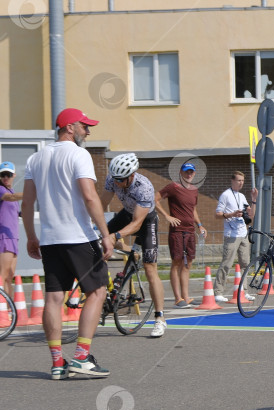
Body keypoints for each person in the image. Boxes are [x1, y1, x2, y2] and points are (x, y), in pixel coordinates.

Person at [22, 107, 113, 380]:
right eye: (85, 126)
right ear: (69, 127)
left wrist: (31, 236)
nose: (88, 131)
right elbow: (89, 196)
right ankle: (82, 357)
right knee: (97, 291)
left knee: (53, 298)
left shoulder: (35, 158)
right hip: (78, 236)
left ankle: (57, 363)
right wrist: (105, 233)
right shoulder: (78, 154)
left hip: (50, 239)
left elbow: (27, 203)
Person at [100, 153, 167, 337]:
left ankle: (160, 318)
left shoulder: (144, 187)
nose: (117, 182)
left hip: (146, 221)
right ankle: (129, 253)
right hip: (127, 213)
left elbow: (137, 224)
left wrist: (115, 236)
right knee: (100, 240)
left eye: (121, 180)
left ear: (131, 175)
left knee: (150, 267)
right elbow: (101, 204)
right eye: (115, 179)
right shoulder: (113, 179)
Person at [155, 161, 207, 307]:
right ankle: (178, 298)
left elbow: (193, 209)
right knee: (177, 262)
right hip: (177, 231)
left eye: (191, 172)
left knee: (188, 262)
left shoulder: (194, 190)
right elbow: (155, 199)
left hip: (190, 230)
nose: (189, 174)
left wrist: (200, 225)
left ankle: (186, 297)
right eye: (186, 171)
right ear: (181, 172)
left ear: (194, 173)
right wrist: (167, 216)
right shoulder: (173, 187)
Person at [213, 171, 258, 303]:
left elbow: (251, 215)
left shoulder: (242, 196)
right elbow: (217, 215)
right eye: (238, 180)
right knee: (227, 263)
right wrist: (232, 214)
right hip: (231, 235)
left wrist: (254, 200)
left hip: (243, 233)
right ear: (232, 181)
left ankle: (244, 291)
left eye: (242, 181)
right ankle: (218, 292)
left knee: (245, 263)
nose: (241, 183)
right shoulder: (226, 195)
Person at [0, 161, 23, 288]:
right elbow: (10, 198)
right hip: (4, 237)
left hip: (13, 237)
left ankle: (9, 302)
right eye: (2, 175)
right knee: (2, 275)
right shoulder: (1, 190)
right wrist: (30, 193)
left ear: (14, 175)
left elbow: (17, 213)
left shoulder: (11, 191)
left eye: (8, 174)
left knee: (10, 276)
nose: (5, 177)